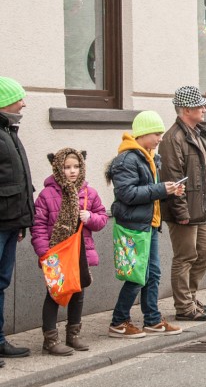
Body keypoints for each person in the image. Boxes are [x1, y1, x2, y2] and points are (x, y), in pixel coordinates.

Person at [107, 111, 185, 338]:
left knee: (152, 273)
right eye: (156, 133)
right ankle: (119, 322)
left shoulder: (148, 156)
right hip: (133, 227)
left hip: (147, 225)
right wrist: (161, 189)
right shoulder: (127, 159)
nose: (160, 138)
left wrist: (169, 191)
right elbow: (127, 194)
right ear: (142, 133)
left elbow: (145, 195)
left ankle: (152, 320)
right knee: (136, 275)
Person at [31, 148, 108, 355]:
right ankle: (50, 338)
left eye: (76, 166)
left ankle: (73, 335)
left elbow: (102, 218)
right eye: (66, 167)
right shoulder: (47, 194)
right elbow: (38, 225)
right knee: (54, 294)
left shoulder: (89, 193)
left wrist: (89, 217)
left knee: (78, 293)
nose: (72, 171)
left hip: (80, 252)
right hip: (57, 253)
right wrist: (44, 252)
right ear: (57, 168)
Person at [159, 86, 206, 322]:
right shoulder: (173, 138)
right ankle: (184, 306)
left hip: (201, 205)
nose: (204, 109)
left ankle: (191, 297)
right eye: (199, 106)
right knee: (185, 256)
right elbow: (173, 178)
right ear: (186, 110)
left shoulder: (196, 133)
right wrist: (181, 211)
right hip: (185, 209)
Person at [0, 77, 33, 363]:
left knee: (1, 282)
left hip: (11, 223)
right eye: (19, 98)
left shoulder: (10, 130)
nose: (24, 103)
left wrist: (22, 221)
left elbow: (20, 181)